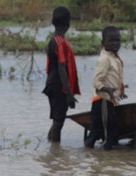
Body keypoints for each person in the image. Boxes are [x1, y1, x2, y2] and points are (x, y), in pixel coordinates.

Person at [43, 6, 80, 143]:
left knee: (57, 120)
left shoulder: (56, 41)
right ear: (68, 23)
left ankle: (52, 149)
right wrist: (69, 94)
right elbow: (61, 68)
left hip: (54, 84)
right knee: (59, 121)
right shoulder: (59, 43)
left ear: (53, 22)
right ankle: (55, 151)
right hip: (58, 86)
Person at [86, 26, 125, 150]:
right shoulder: (104, 59)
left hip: (109, 101)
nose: (115, 43)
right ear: (103, 43)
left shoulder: (114, 58)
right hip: (103, 101)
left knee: (97, 131)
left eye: (117, 40)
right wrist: (107, 89)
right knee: (109, 135)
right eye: (111, 41)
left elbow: (115, 79)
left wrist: (121, 92)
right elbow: (97, 81)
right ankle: (106, 160)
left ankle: (93, 154)